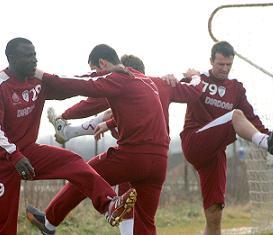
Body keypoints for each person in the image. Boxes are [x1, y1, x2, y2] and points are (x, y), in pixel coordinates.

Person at [0, 38, 136, 235]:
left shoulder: (38, 82)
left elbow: (71, 83)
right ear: (11, 58)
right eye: (27, 56)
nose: (34, 60)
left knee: (73, 161)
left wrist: (107, 74)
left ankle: (109, 204)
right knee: (4, 227)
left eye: (34, 55)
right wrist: (14, 156)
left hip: (26, 151)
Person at [26, 44, 172, 235]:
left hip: (133, 156)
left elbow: (80, 84)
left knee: (84, 174)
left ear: (102, 63)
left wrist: (38, 73)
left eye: (95, 70)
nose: (95, 74)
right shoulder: (144, 81)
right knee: (145, 222)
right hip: (159, 161)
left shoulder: (119, 78)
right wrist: (110, 124)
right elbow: (138, 113)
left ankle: (49, 222)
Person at [179, 41, 273, 235]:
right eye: (220, 64)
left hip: (215, 153)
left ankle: (267, 141)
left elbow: (251, 117)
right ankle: (265, 143)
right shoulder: (199, 80)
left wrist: (271, 135)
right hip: (194, 141)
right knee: (235, 115)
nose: (225, 69)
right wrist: (188, 76)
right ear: (211, 61)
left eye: (229, 65)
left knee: (214, 214)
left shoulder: (235, 89)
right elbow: (176, 88)